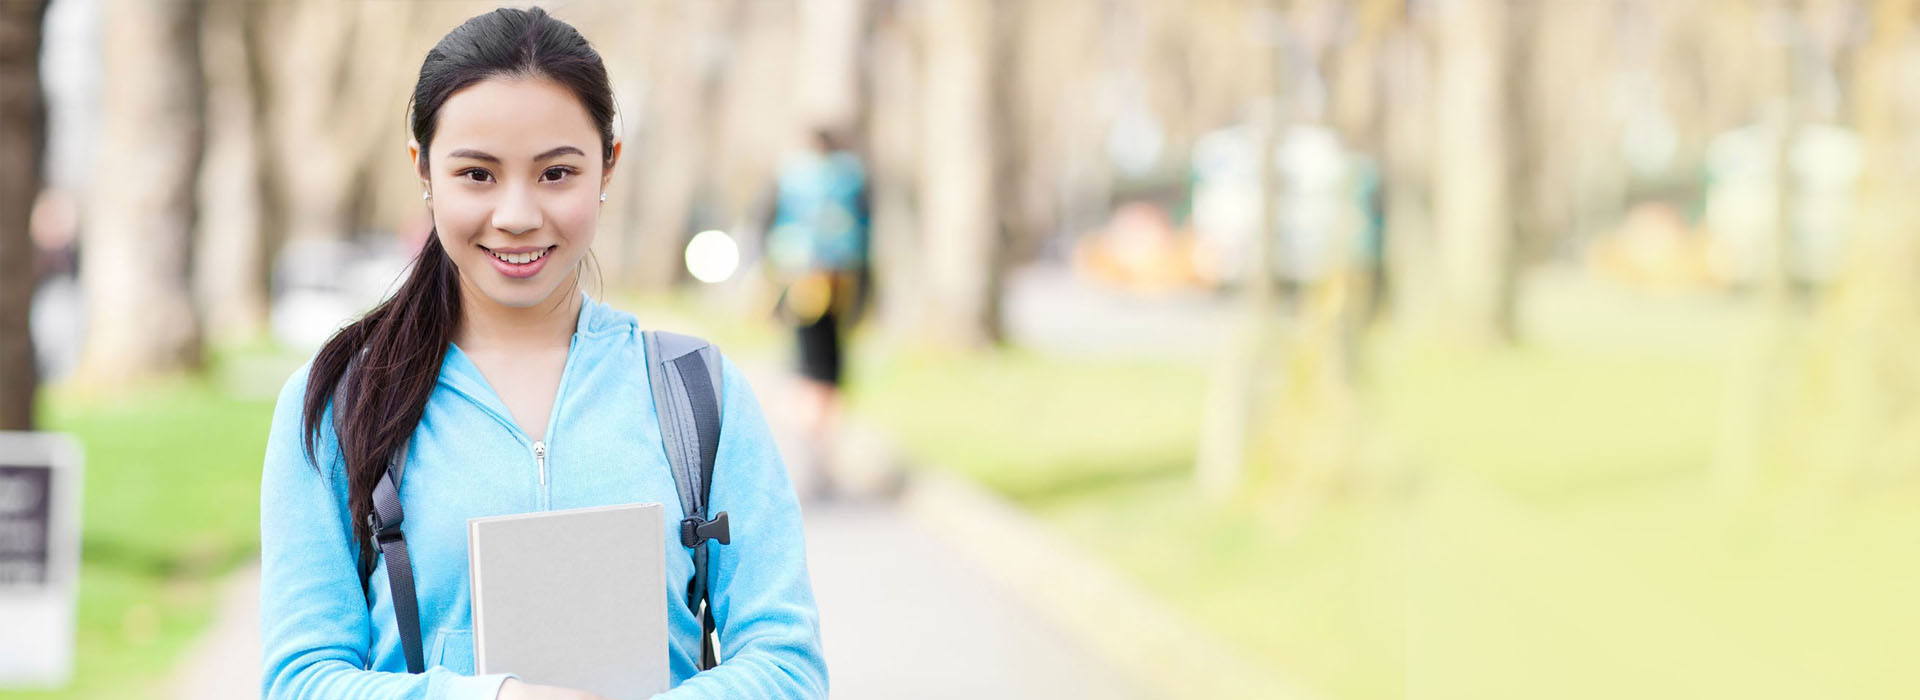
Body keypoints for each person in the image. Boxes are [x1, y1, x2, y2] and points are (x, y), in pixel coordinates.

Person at [257, 8, 827, 700]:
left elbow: (788, 665)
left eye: (556, 174)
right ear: (425, 171)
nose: (518, 214)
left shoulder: (697, 391)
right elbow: (301, 680)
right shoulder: (341, 400)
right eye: (477, 174)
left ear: (608, 165)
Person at [762, 128, 869, 499]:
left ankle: (809, 447)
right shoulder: (851, 179)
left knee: (805, 365)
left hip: (799, 284)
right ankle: (820, 448)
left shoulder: (790, 178)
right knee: (830, 370)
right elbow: (865, 234)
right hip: (840, 284)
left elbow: (768, 228)